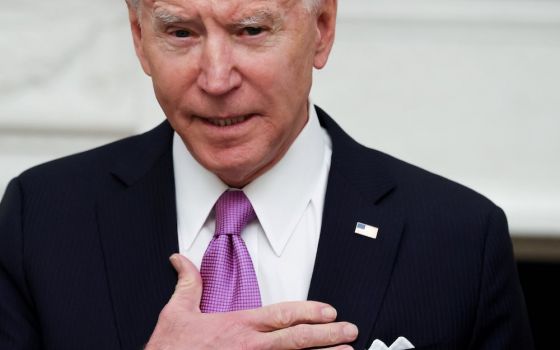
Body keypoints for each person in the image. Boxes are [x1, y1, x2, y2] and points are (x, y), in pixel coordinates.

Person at [0, 0, 534, 349]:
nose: (215, 77)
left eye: (251, 30)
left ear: (322, 29)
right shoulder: (42, 216)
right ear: (139, 38)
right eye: (180, 32)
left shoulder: (458, 237)